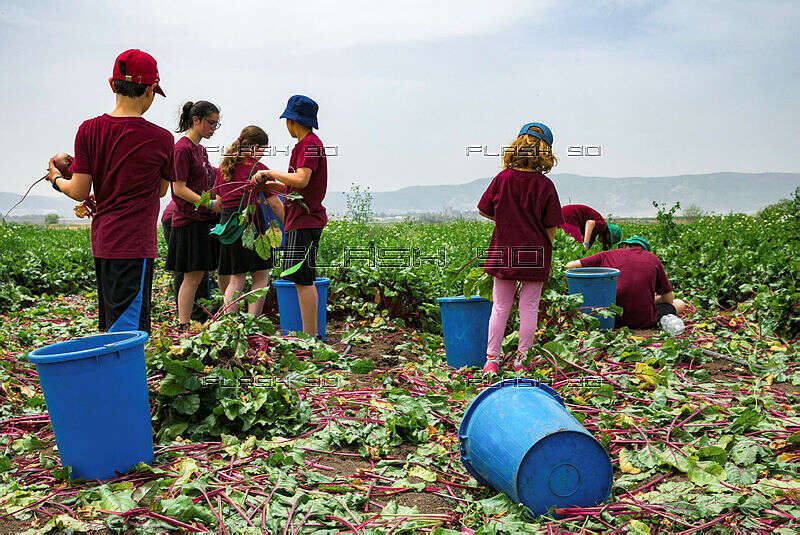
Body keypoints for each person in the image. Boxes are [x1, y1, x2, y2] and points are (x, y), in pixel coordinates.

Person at [45, 49, 174, 335]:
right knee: (128, 332)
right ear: (151, 90)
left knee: (112, 324)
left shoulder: (88, 130)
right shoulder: (162, 138)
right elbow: (163, 189)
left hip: (103, 241)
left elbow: (79, 190)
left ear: (112, 84)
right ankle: (124, 379)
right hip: (134, 245)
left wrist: (56, 178)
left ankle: (114, 377)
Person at [477, 122, 564, 375]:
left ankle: (491, 361)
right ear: (545, 152)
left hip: (504, 252)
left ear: (517, 146)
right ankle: (521, 361)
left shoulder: (502, 179)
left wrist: (507, 221)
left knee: (500, 307)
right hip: (535, 255)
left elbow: (483, 210)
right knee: (528, 308)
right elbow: (551, 227)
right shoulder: (545, 186)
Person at [252, 95, 327, 338]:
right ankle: (309, 335)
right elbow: (295, 188)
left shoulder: (308, 145)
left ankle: (311, 337)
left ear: (292, 122)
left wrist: (270, 172)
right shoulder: (306, 145)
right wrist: (270, 184)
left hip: (305, 220)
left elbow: (302, 179)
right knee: (299, 279)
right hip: (300, 219)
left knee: (304, 279)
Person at [165, 100, 223, 328]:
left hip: (201, 221)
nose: (213, 128)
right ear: (196, 120)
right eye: (210, 122)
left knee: (198, 275)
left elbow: (206, 180)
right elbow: (178, 188)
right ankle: (183, 325)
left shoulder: (200, 149)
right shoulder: (182, 148)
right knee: (190, 277)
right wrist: (209, 204)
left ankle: (187, 324)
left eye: (216, 124)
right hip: (188, 221)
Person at [216, 126, 284, 315]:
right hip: (252, 222)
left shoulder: (224, 167)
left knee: (236, 278)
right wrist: (288, 224)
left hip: (228, 225)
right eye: (263, 149)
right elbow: (274, 203)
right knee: (260, 275)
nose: (262, 154)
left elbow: (220, 202)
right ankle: (252, 322)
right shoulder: (258, 169)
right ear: (254, 147)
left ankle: (230, 326)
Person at [565, 235, 687, 330]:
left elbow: (570, 266)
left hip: (610, 318)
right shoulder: (652, 258)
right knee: (679, 303)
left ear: (625, 246)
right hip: (642, 321)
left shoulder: (606, 255)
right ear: (645, 250)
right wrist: (651, 298)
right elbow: (668, 298)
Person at [161, 200, 209, 322]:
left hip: (173, 217)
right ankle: (195, 318)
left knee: (184, 270)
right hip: (181, 220)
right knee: (195, 270)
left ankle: (184, 317)